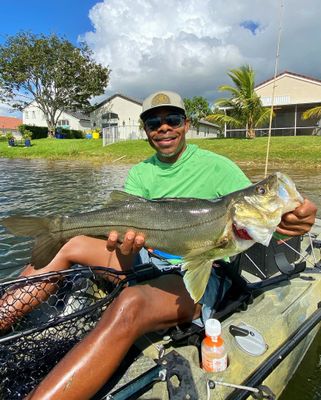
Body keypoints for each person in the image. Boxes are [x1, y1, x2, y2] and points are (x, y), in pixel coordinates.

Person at [1, 91, 317, 400]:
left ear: (186, 124)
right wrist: (123, 245)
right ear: (146, 131)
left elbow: (273, 228)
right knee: (64, 244)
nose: (164, 127)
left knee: (130, 304)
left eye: (172, 119)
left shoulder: (219, 168)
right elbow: (127, 240)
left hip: (200, 269)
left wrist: (295, 221)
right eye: (154, 123)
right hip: (145, 256)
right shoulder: (140, 172)